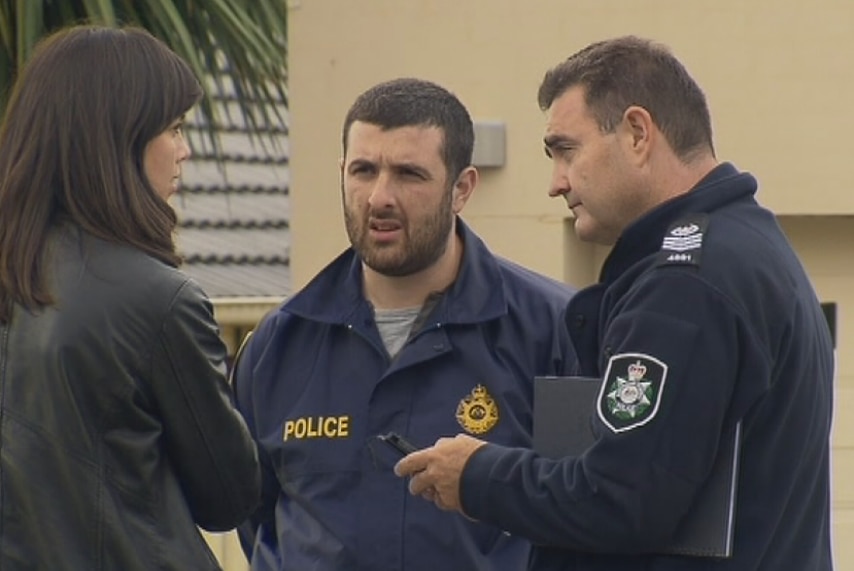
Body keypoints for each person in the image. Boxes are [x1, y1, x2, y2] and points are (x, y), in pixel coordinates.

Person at [395, 36, 835, 571]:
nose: (556, 183)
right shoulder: (748, 248)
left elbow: (622, 497)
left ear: (636, 133)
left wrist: (477, 475)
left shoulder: (686, 284)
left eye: (566, 151)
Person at [232, 77, 578, 570]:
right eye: (363, 170)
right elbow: (257, 519)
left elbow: (585, 511)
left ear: (462, 188)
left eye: (409, 174)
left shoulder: (553, 330)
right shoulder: (278, 345)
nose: (379, 197)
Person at [0, 26, 260, 571]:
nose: (185, 150)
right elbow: (229, 497)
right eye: (172, 128)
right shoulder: (158, 300)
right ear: (116, 139)